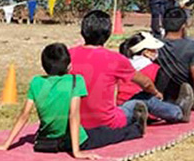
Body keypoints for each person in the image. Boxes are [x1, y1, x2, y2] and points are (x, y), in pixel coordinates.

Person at [0, 43, 143, 156]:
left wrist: (6, 144)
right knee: (107, 133)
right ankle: (136, 129)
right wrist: (76, 151)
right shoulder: (75, 80)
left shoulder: (36, 82)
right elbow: (74, 115)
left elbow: (24, 115)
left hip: (46, 142)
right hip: (73, 141)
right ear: (69, 66)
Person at [66, 10, 154, 149]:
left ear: (83, 31)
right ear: (108, 33)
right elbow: (146, 83)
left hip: (71, 120)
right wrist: (156, 93)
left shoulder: (67, 55)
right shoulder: (115, 59)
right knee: (139, 102)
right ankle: (175, 112)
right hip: (106, 122)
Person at [116, 32, 194, 122]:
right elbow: (149, 86)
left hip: (121, 106)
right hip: (144, 108)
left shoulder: (121, 65)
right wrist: (156, 93)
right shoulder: (155, 69)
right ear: (146, 52)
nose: (157, 52)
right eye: (154, 49)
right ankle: (178, 112)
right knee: (149, 98)